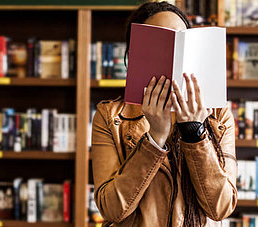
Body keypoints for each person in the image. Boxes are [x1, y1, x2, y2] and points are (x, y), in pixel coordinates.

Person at [91, 1, 237, 227]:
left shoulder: (218, 116)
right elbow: (111, 209)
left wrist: (194, 132)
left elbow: (220, 208)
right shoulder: (110, 116)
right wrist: (154, 139)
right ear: (135, 54)